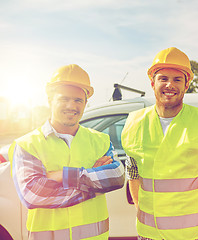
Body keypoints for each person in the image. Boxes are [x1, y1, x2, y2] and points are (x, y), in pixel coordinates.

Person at [121, 47, 198, 240]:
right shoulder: (134, 122)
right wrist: (141, 212)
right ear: (152, 82)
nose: (169, 85)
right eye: (163, 78)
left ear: (187, 83)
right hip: (149, 236)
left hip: (195, 236)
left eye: (177, 79)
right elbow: (133, 173)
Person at [9, 64, 125, 240]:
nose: (72, 106)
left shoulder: (100, 140)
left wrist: (64, 176)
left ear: (86, 103)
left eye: (78, 100)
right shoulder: (28, 144)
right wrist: (96, 183)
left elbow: (116, 177)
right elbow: (34, 194)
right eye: (64, 99)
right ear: (50, 100)